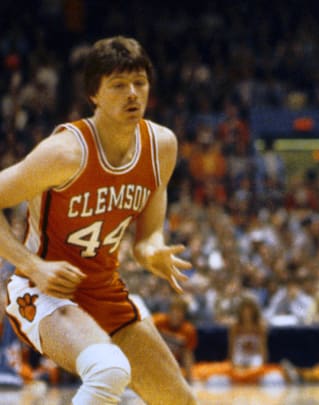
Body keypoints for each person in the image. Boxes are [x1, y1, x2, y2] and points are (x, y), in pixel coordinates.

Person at [0, 36, 196, 404]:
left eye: (139, 83)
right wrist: (33, 266)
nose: (133, 94)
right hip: (42, 290)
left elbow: (147, 234)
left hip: (104, 290)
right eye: (118, 86)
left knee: (180, 401)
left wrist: (152, 250)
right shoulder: (65, 153)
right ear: (94, 95)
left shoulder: (162, 146)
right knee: (108, 370)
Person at [152, 296, 198, 381]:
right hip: (153, 361)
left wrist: (189, 378)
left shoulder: (188, 330)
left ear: (184, 315)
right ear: (169, 311)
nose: (175, 315)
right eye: (173, 312)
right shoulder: (157, 321)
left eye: (179, 313)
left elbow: (187, 355)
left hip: (172, 366)